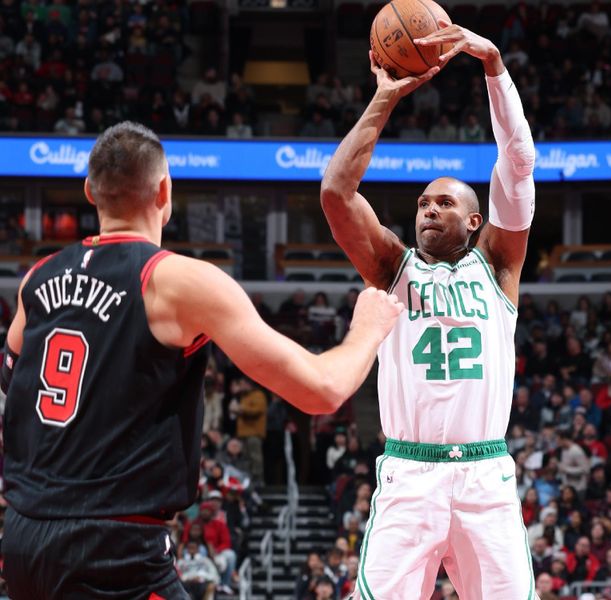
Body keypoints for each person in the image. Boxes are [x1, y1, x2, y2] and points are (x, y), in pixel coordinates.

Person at [0, 122, 403, 598]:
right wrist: (368, 329)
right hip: (113, 547)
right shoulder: (176, 280)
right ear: (165, 191)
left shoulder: (37, 279)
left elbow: (15, 382)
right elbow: (322, 390)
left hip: (24, 538)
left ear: (89, 191)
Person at [320, 20, 537, 599]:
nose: (428, 209)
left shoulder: (498, 264)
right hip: (409, 471)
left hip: (485, 475)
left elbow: (517, 163)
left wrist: (495, 70)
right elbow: (336, 194)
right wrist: (383, 97)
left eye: (445, 202)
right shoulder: (393, 266)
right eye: (421, 202)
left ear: (474, 219)